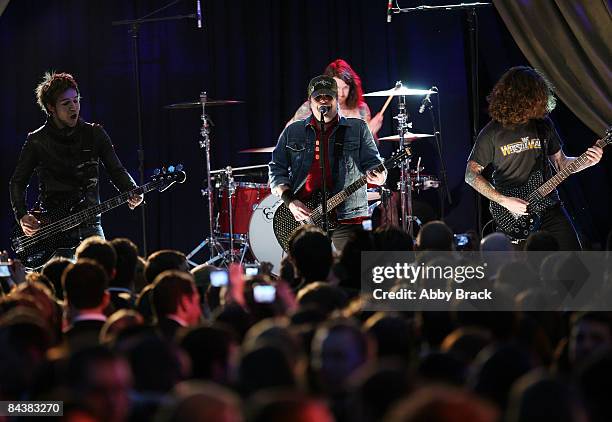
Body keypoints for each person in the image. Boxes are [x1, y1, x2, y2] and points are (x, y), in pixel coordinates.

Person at [465, 66, 603, 250]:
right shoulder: (492, 132)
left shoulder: (543, 124)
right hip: (514, 214)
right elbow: (470, 175)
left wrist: (587, 162)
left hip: (549, 207)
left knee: (574, 265)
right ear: (521, 98)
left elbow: (561, 164)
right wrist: (505, 201)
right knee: (525, 274)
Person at [9, 71, 143, 244]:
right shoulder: (36, 140)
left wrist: (131, 189)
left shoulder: (95, 134)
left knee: (99, 269)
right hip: (52, 227)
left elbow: (116, 170)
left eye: (76, 100)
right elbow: (17, 182)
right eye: (66, 103)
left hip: (91, 225)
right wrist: (22, 215)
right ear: (51, 107)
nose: (74, 107)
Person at [269, 75, 386, 251]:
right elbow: (276, 169)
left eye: (328, 96)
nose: (323, 101)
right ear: (310, 101)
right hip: (306, 214)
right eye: (318, 97)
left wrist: (380, 176)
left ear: (335, 99)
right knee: (309, 272)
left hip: (346, 215)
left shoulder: (358, 128)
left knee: (352, 270)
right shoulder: (293, 131)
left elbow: (374, 163)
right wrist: (290, 201)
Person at [286, 59, 384, 137]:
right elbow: (287, 133)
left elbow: (369, 150)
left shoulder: (362, 109)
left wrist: (371, 134)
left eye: (345, 87)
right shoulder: (311, 107)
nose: (341, 93)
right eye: (337, 88)